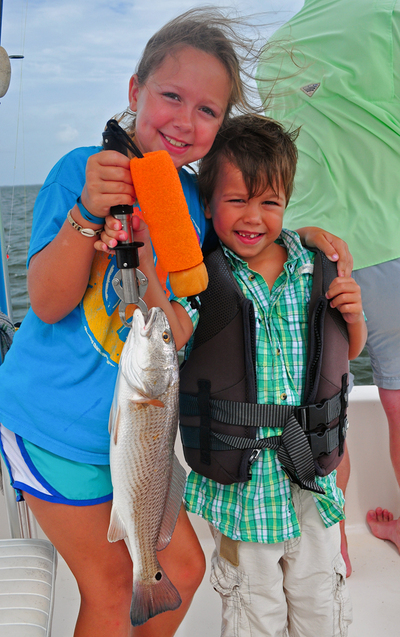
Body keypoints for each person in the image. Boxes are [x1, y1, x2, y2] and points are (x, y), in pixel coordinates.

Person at [0, 8, 353, 636]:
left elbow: (227, 261)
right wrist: (88, 214)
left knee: (180, 573)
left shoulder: (193, 204)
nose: (186, 121)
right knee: (110, 591)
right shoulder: (80, 172)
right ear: (135, 91)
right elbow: (50, 303)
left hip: (140, 441)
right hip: (55, 430)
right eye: (170, 96)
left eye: (208, 110)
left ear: (220, 126)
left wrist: (303, 235)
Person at [122, 114, 366, 637]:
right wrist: (143, 257)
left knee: (321, 608)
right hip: (243, 498)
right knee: (256, 617)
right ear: (208, 205)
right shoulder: (201, 277)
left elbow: (349, 350)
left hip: (313, 485)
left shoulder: (316, 264)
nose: (253, 217)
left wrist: (356, 315)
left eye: (270, 203)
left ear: (287, 204)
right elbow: (173, 334)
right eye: (237, 201)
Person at [256, 0, 400, 573]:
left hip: (316, 254)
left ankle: (331, 554)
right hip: (396, 244)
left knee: (325, 414)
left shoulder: (272, 52)